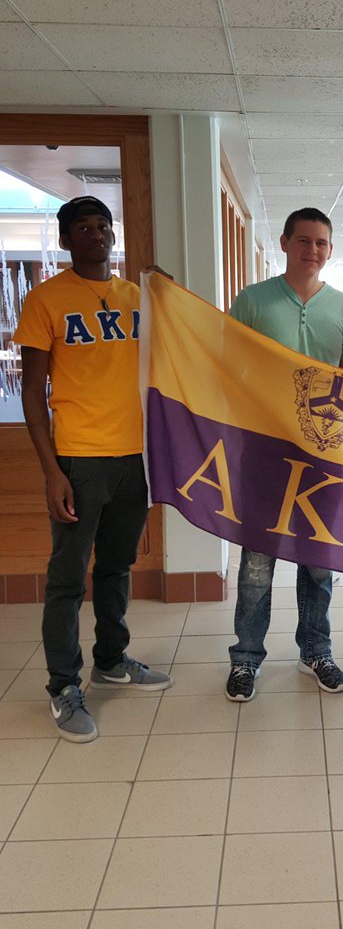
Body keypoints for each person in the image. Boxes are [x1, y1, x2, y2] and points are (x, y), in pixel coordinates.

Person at [14, 196, 173, 743]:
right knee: (67, 578)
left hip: (134, 456)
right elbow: (32, 392)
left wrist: (169, 297)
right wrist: (51, 471)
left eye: (103, 226)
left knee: (116, 566)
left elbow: (177, 352)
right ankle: (64, 685)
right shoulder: (45, 299)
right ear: (65, 240)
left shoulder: (136, 297)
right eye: (83, 228)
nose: (96, 234)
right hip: (79, 459)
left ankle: (111, 659)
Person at [226, 207, 343, 701]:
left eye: (321, 243)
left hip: (322, 455)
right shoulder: (252, 301)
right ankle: (246, 657)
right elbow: (230, 368)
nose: (313, 250)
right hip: (263, 452)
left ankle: (316, 651)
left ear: (330, 249)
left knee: (318, 562)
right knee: (257, 562)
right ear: (285, 242)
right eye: (304, 240)